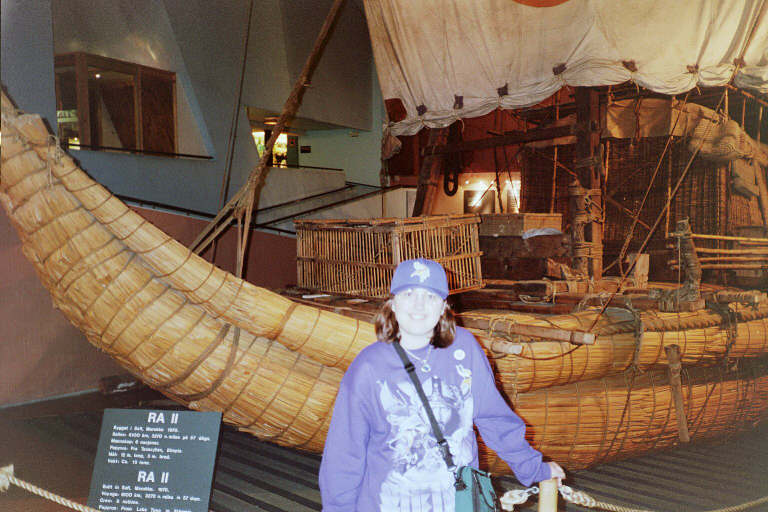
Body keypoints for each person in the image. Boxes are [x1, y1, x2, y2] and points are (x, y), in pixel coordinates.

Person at [319, 258, 564, 511]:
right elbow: (344, 451)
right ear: (393, 303)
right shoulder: (368, 366)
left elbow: (494, 418)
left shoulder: (465, 348)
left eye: (430, 296)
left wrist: (534, 467)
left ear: (443, 307)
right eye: (409, 294)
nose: (419, 305)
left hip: (458, 502)